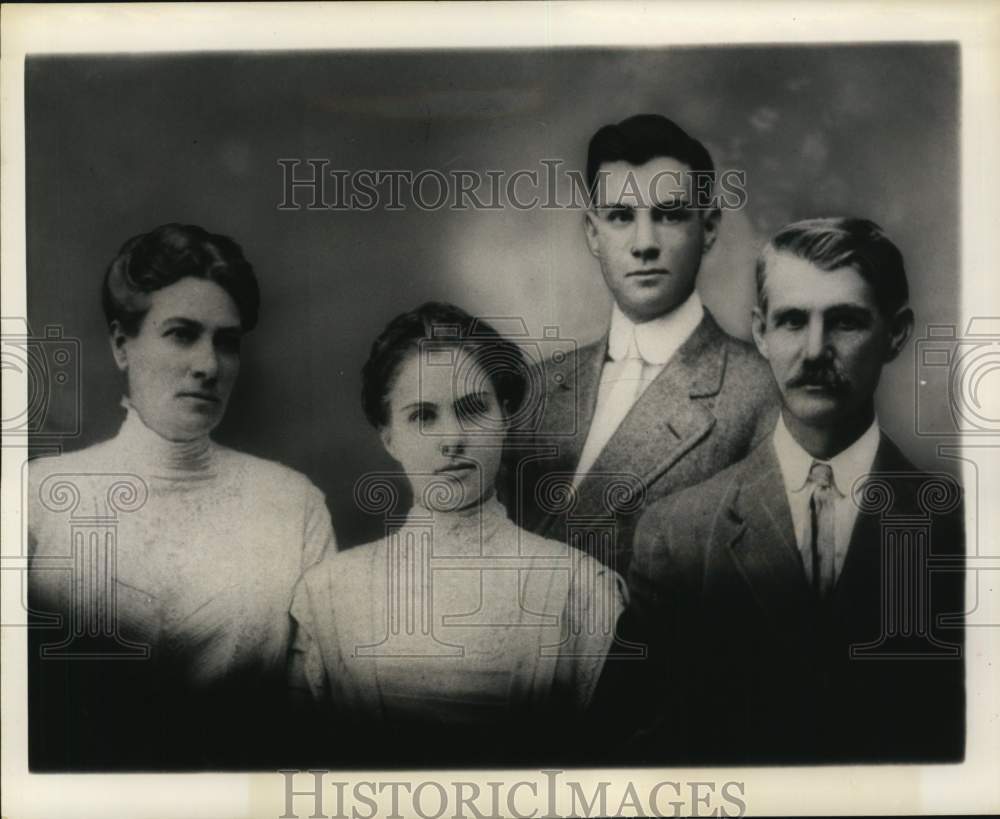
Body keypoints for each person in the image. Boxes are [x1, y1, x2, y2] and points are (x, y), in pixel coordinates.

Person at [624, 218, 965, 763]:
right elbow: (632, 750)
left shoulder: (963, 531)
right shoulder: (678, 534)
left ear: (896, 333)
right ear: (760, 332)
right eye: (790, 321)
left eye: (846, 322)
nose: (814, 351)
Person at [27, 223, 336, 770]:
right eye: (180, 333)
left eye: (227, 341)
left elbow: (312, 710)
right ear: (123, 345)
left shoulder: (293, 505)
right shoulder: (37, 497)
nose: (208, 365)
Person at [288, 302, 625, 766]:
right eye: (423, 417)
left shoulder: (583, 589)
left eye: (472, 409)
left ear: (505, 416)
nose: (452, 439)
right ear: (389, 437)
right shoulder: (326, 595)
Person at [504, 113, 777, 576]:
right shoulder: (537, 388)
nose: (644, 243)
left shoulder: (760, 391)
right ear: (593, 232)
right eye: (620, 217)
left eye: (669, 215)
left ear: (708, 228)